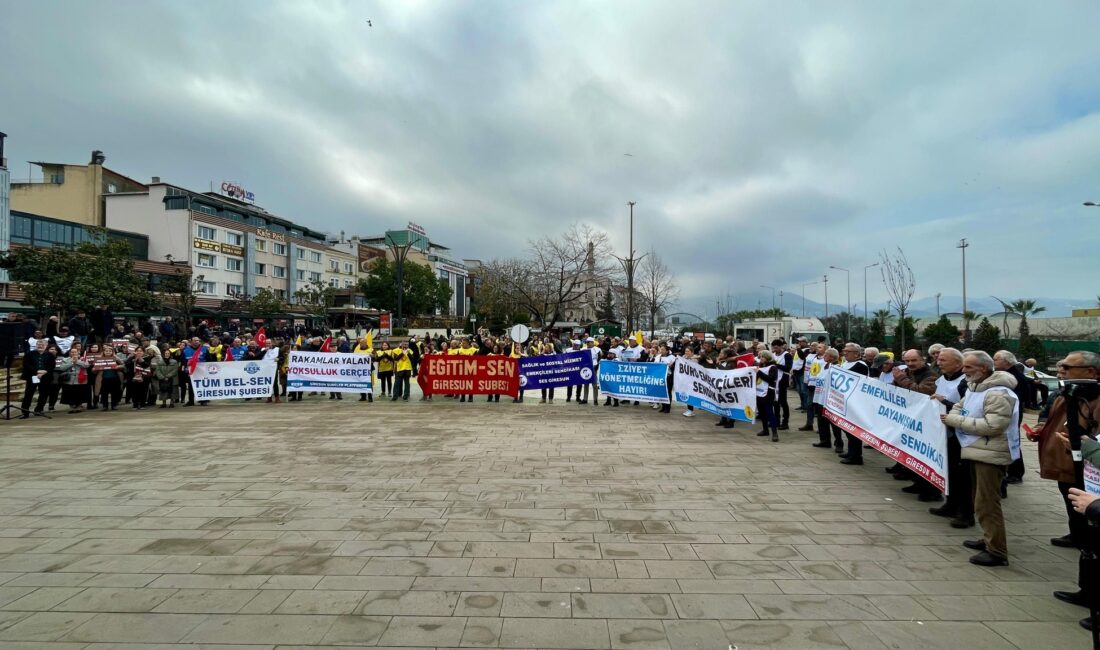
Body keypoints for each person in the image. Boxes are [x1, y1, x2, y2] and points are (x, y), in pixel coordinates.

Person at [943, 350, 1019, 567]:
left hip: (991, 453)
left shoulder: (998, 393)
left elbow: (993, 425)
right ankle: (989, 538)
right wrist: (956, 416)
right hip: (976, 449)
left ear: (983, 369)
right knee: (979, 499)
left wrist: (955, 420)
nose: (964, 371)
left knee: (988, 502)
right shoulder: (976, 387)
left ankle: (997, 550)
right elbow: (960, 407)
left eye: (968, 367)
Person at [1035, 352, 1100, 554]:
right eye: (1061, 366)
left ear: (1091, 371)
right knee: (1072, 503)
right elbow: (1053, 419)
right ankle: (1078, 536)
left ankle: (1087, 544)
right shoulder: (1066, 393)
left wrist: (1085, 445)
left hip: (1088, 467)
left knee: (1088, 509)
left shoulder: (1094, 398)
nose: (1061, 371)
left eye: (1067, 367)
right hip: (1063, 461)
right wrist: (1042, 429)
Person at [928, 347, 974, 527]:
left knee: (963, 476)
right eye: (938, 360)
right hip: (944, 433)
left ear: (958, 362)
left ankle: (966, 513)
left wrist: (944, 402)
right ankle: (951, 503)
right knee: (950, 472)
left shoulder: (965, 383)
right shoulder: (942, 379)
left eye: (943, 360)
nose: (939, 363)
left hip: (961, 435)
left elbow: (968, 407)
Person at [994, 350, 1029, 486]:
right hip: (1007, 412)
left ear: (1006, 362)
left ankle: (1016, 473)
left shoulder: (1015, 377)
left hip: (1012, 413)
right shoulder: (1006, 374)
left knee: (1012, 441)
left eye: (996, 359)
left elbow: (1023, 396)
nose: (994, 361)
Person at [837, 343, 870, 465]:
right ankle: (851, 451)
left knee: (853, 430)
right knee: (847, 428)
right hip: (845, 400)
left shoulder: (860, 365)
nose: (845, 353)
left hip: (855, 401)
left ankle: (856, 456)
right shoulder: (845, 363)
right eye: (844, 351)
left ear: (856, 354)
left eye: (848, 351)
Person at [20, 339, 55, 417]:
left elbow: (52, 365)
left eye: (42, 345)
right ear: (36, 345)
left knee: (44, 394)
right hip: (32, 376)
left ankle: (39, 409)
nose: (40, 346)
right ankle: (25, 411)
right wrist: (37, 371)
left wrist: (45, 372)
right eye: (39, 345)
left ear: (46, 346)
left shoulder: (50, 355)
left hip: (45, 377)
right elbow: (26, 365)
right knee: (29, 394)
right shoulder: (29, 354)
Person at [755, 350, 780, 442]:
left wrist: (759, 373)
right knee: (762, 413)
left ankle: (774, 433)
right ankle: (765, 430)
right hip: (759, 392)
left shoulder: (773, 367)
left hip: (768, 393)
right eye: (760, 357)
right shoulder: (760, 367)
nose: (761, 358)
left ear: (768, 358)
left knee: (769, 412)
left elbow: (771, 379)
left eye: (763, 357)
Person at [57, 347, 90, 414]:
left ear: (78, 353)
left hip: (80, 379)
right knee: (70, 394)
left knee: (79, 394)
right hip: (69, 380)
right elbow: (62, 368)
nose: (73, 353)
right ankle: (72, 408)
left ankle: (78, 407)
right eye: (72, 352)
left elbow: (86, 366)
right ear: (69, 353)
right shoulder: (65, 359)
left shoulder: (83, 359)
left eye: (75, 352)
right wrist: (71, 363)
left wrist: (77, 361)